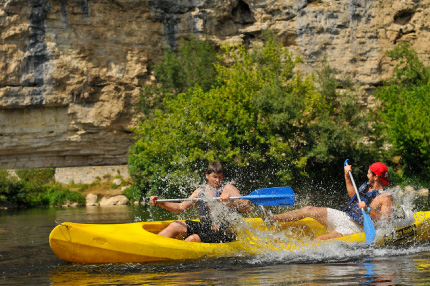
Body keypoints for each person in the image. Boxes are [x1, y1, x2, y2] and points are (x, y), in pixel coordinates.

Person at [268, 162, 395, 241]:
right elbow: (353, 196)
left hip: (356, 227)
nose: (367, 175)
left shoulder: (386, 197)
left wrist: (367, 210)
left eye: (369, 174)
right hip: (345, 216)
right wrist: (346, 176)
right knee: (309, 209)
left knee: (318, 241)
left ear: (376, 177)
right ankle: (272, 218)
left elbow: (385, 220)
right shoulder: (368, 186)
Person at [149, 162, 252, 243]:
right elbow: (180, 207)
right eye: (215, 177)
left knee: (192, 239)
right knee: (175, 225)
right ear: (207, 176)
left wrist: (233, 200)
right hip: (206, 228)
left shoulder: (228, 188)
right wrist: (159, 202)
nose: (218, 180)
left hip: (225, 233)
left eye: (220, 177)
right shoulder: (200, 191)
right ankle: (153, 246)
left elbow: (248, 208)